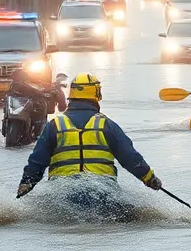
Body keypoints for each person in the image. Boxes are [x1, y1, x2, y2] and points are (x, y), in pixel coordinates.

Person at [17, 73, 162, 197]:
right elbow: (130, 158)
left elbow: (37, 161)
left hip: (62, 189)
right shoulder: (107, 125)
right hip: (103, 188)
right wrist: (149, 178)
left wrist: (25, 185)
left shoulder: (55, 125)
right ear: (96, 94)